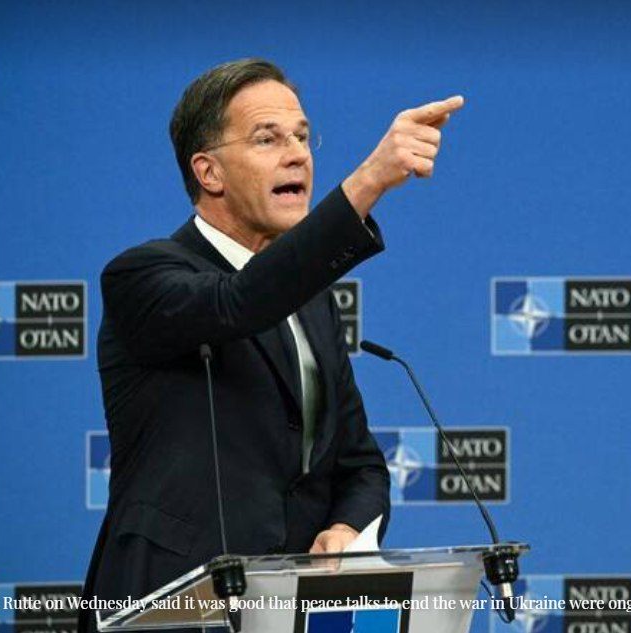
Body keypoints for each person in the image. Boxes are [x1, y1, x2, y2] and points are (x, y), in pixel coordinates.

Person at [78, 58, 463, 631]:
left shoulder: (313, 302)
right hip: (173, 609)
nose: (297, 154)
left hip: (292, 613)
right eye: (268, 138)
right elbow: (239, 303)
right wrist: (368, 182)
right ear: (209, 172)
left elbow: (359, 464)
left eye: (303, 137)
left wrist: (346, 528)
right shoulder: (141, 276)